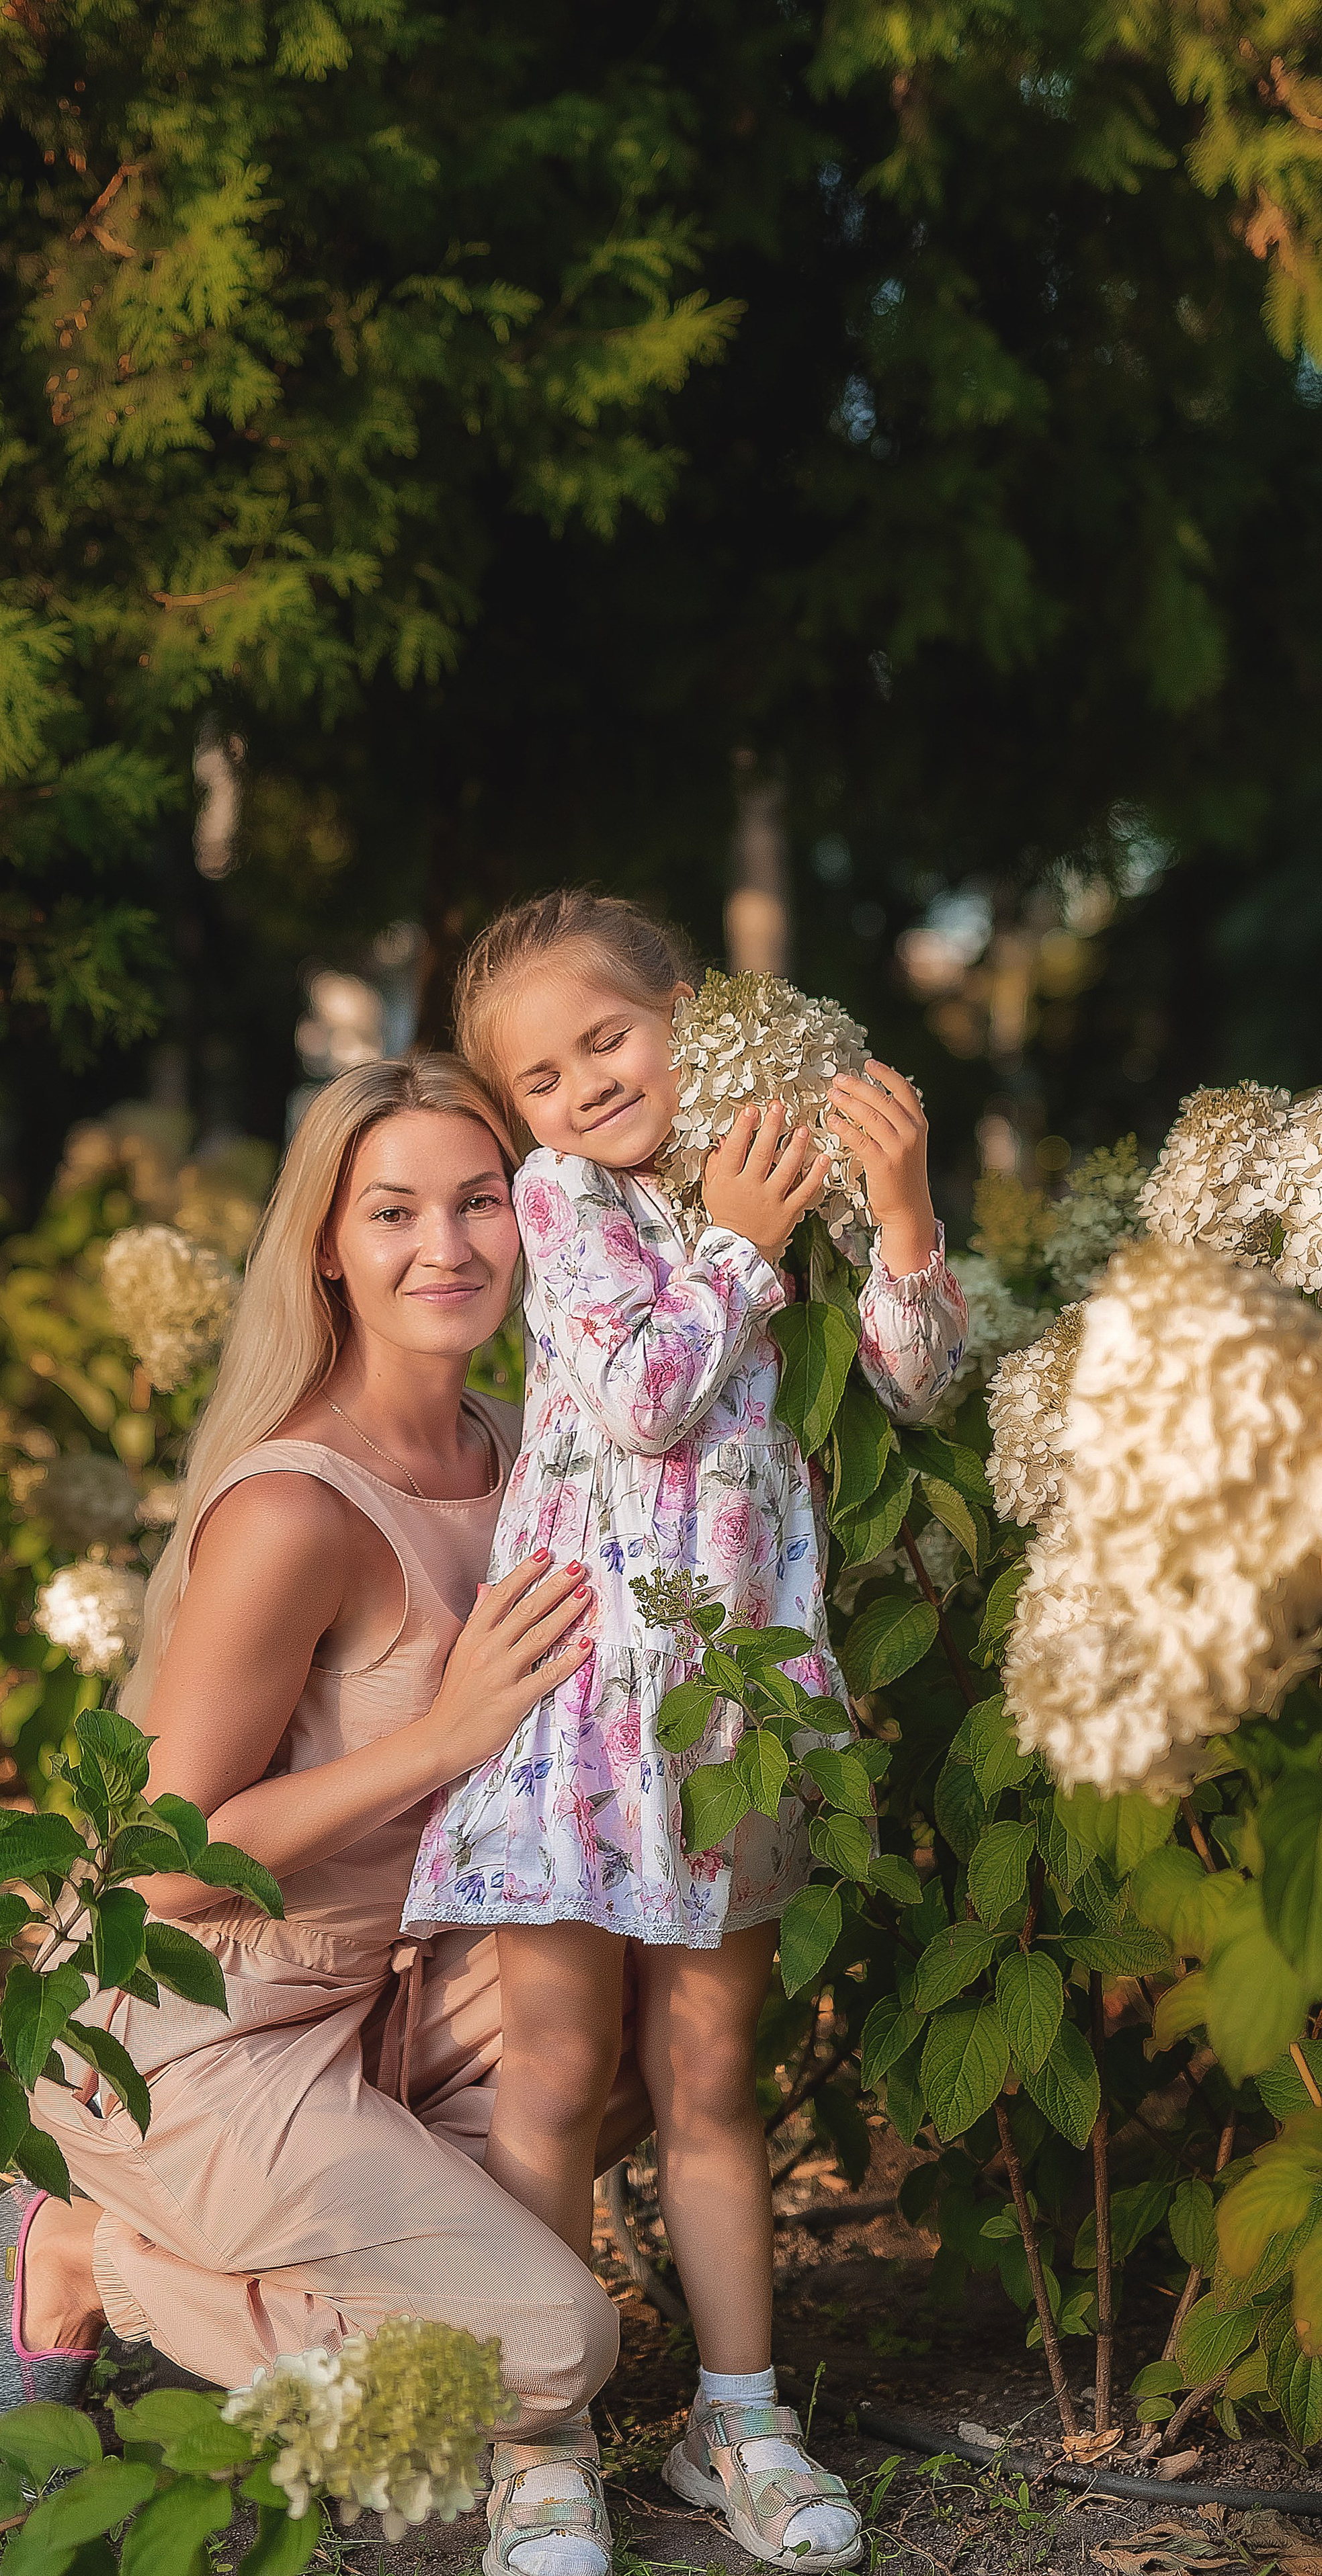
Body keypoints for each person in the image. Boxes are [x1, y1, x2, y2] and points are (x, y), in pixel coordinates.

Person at [0, 1053, 638, 2576]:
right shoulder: (296, 1511)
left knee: (650, 2020)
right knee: (548, 2348)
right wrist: (447, 1732)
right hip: (191, 2023)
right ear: (327, 1244)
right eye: (392, 1211)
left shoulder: (524, 1451)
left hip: (388, 1986)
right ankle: (76, 2253)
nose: (444, 1249)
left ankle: (412, 2342)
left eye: (478, 1202)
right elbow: (155, 1876)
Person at [403, 891, 968, 2573]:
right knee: (559, 2073)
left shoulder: (765, 1159)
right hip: (582, 1712)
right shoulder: (564, 1204)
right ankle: (538, 2436)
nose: (582, 1086)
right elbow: (648, 1398)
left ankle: (735, 2419)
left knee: (710, 2074)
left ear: (685, 1014)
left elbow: (917, 1384)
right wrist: (736, 1239)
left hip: (736, 1723)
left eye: (609, 1037)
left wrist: (898, 1204)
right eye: (540, 1075)